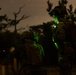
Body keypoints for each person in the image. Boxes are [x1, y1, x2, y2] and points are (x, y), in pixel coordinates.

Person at [51, 4, 75, 75]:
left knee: (64, 71)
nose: (53, 17)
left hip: (64, 52)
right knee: (69, 70)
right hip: (71, 51)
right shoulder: (71, 23)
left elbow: (61, 37)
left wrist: (54, 36)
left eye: (54, 15)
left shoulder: (60, 24)